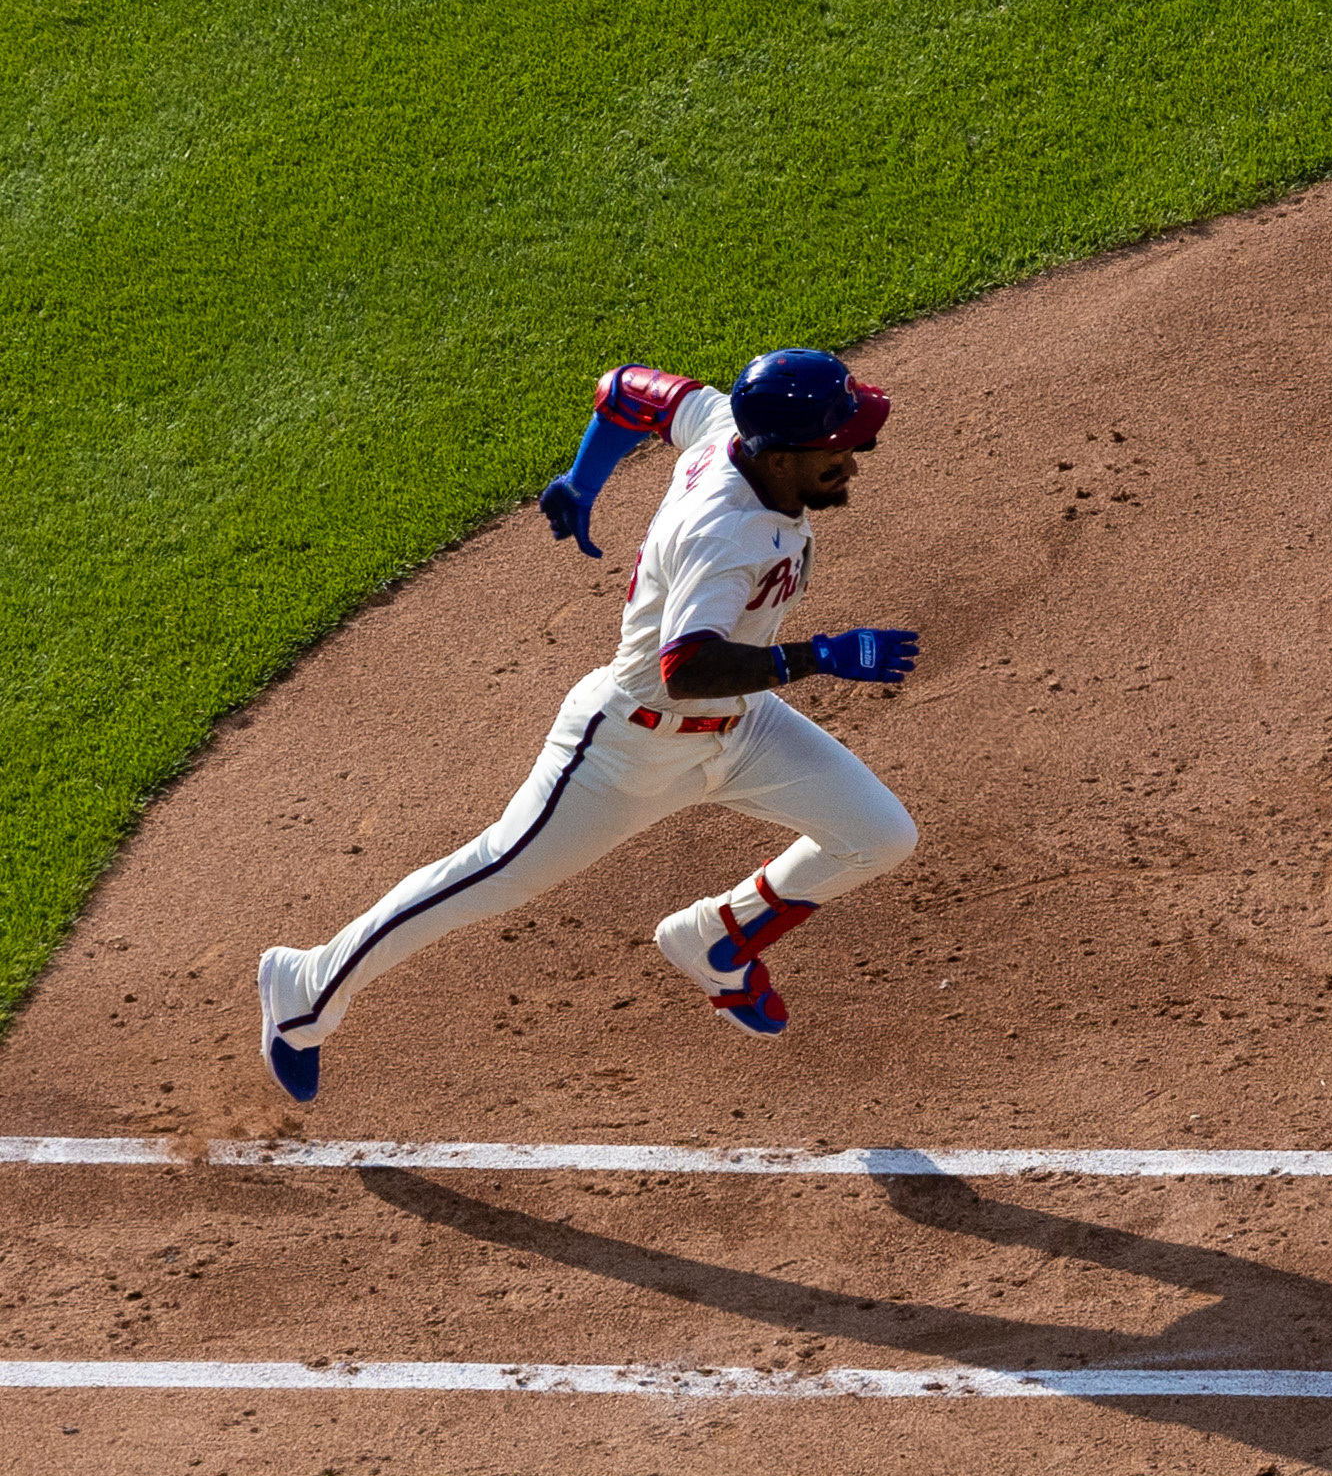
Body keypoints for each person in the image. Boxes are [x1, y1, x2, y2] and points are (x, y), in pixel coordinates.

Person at [254, 349, 923, 1103]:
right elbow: (687, 668)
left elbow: (626, 390)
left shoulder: (721, 425)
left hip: (741, 727)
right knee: (489, 874)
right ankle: (304, 984)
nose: (855, 458)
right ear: (778, 452)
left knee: (880, 834)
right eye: (835, 447)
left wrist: (583, 479)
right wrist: (820, 656)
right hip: (629, 749)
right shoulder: (722, 534)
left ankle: (717, 937)